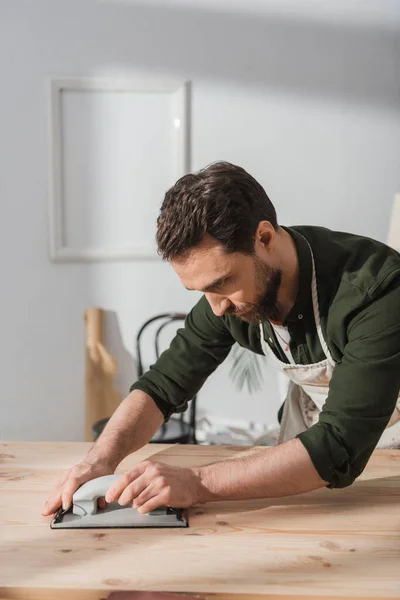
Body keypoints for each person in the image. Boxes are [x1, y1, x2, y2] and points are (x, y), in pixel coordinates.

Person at [42, 162, 400, 518]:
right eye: (201, 291)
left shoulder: (377, 290)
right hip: (318, 447)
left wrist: (197, 483)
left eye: (222, 283)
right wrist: (99, 460)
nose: (215, 309)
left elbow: (340, 446)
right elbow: (162, 386)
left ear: (264, 238)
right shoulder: (229, 299)